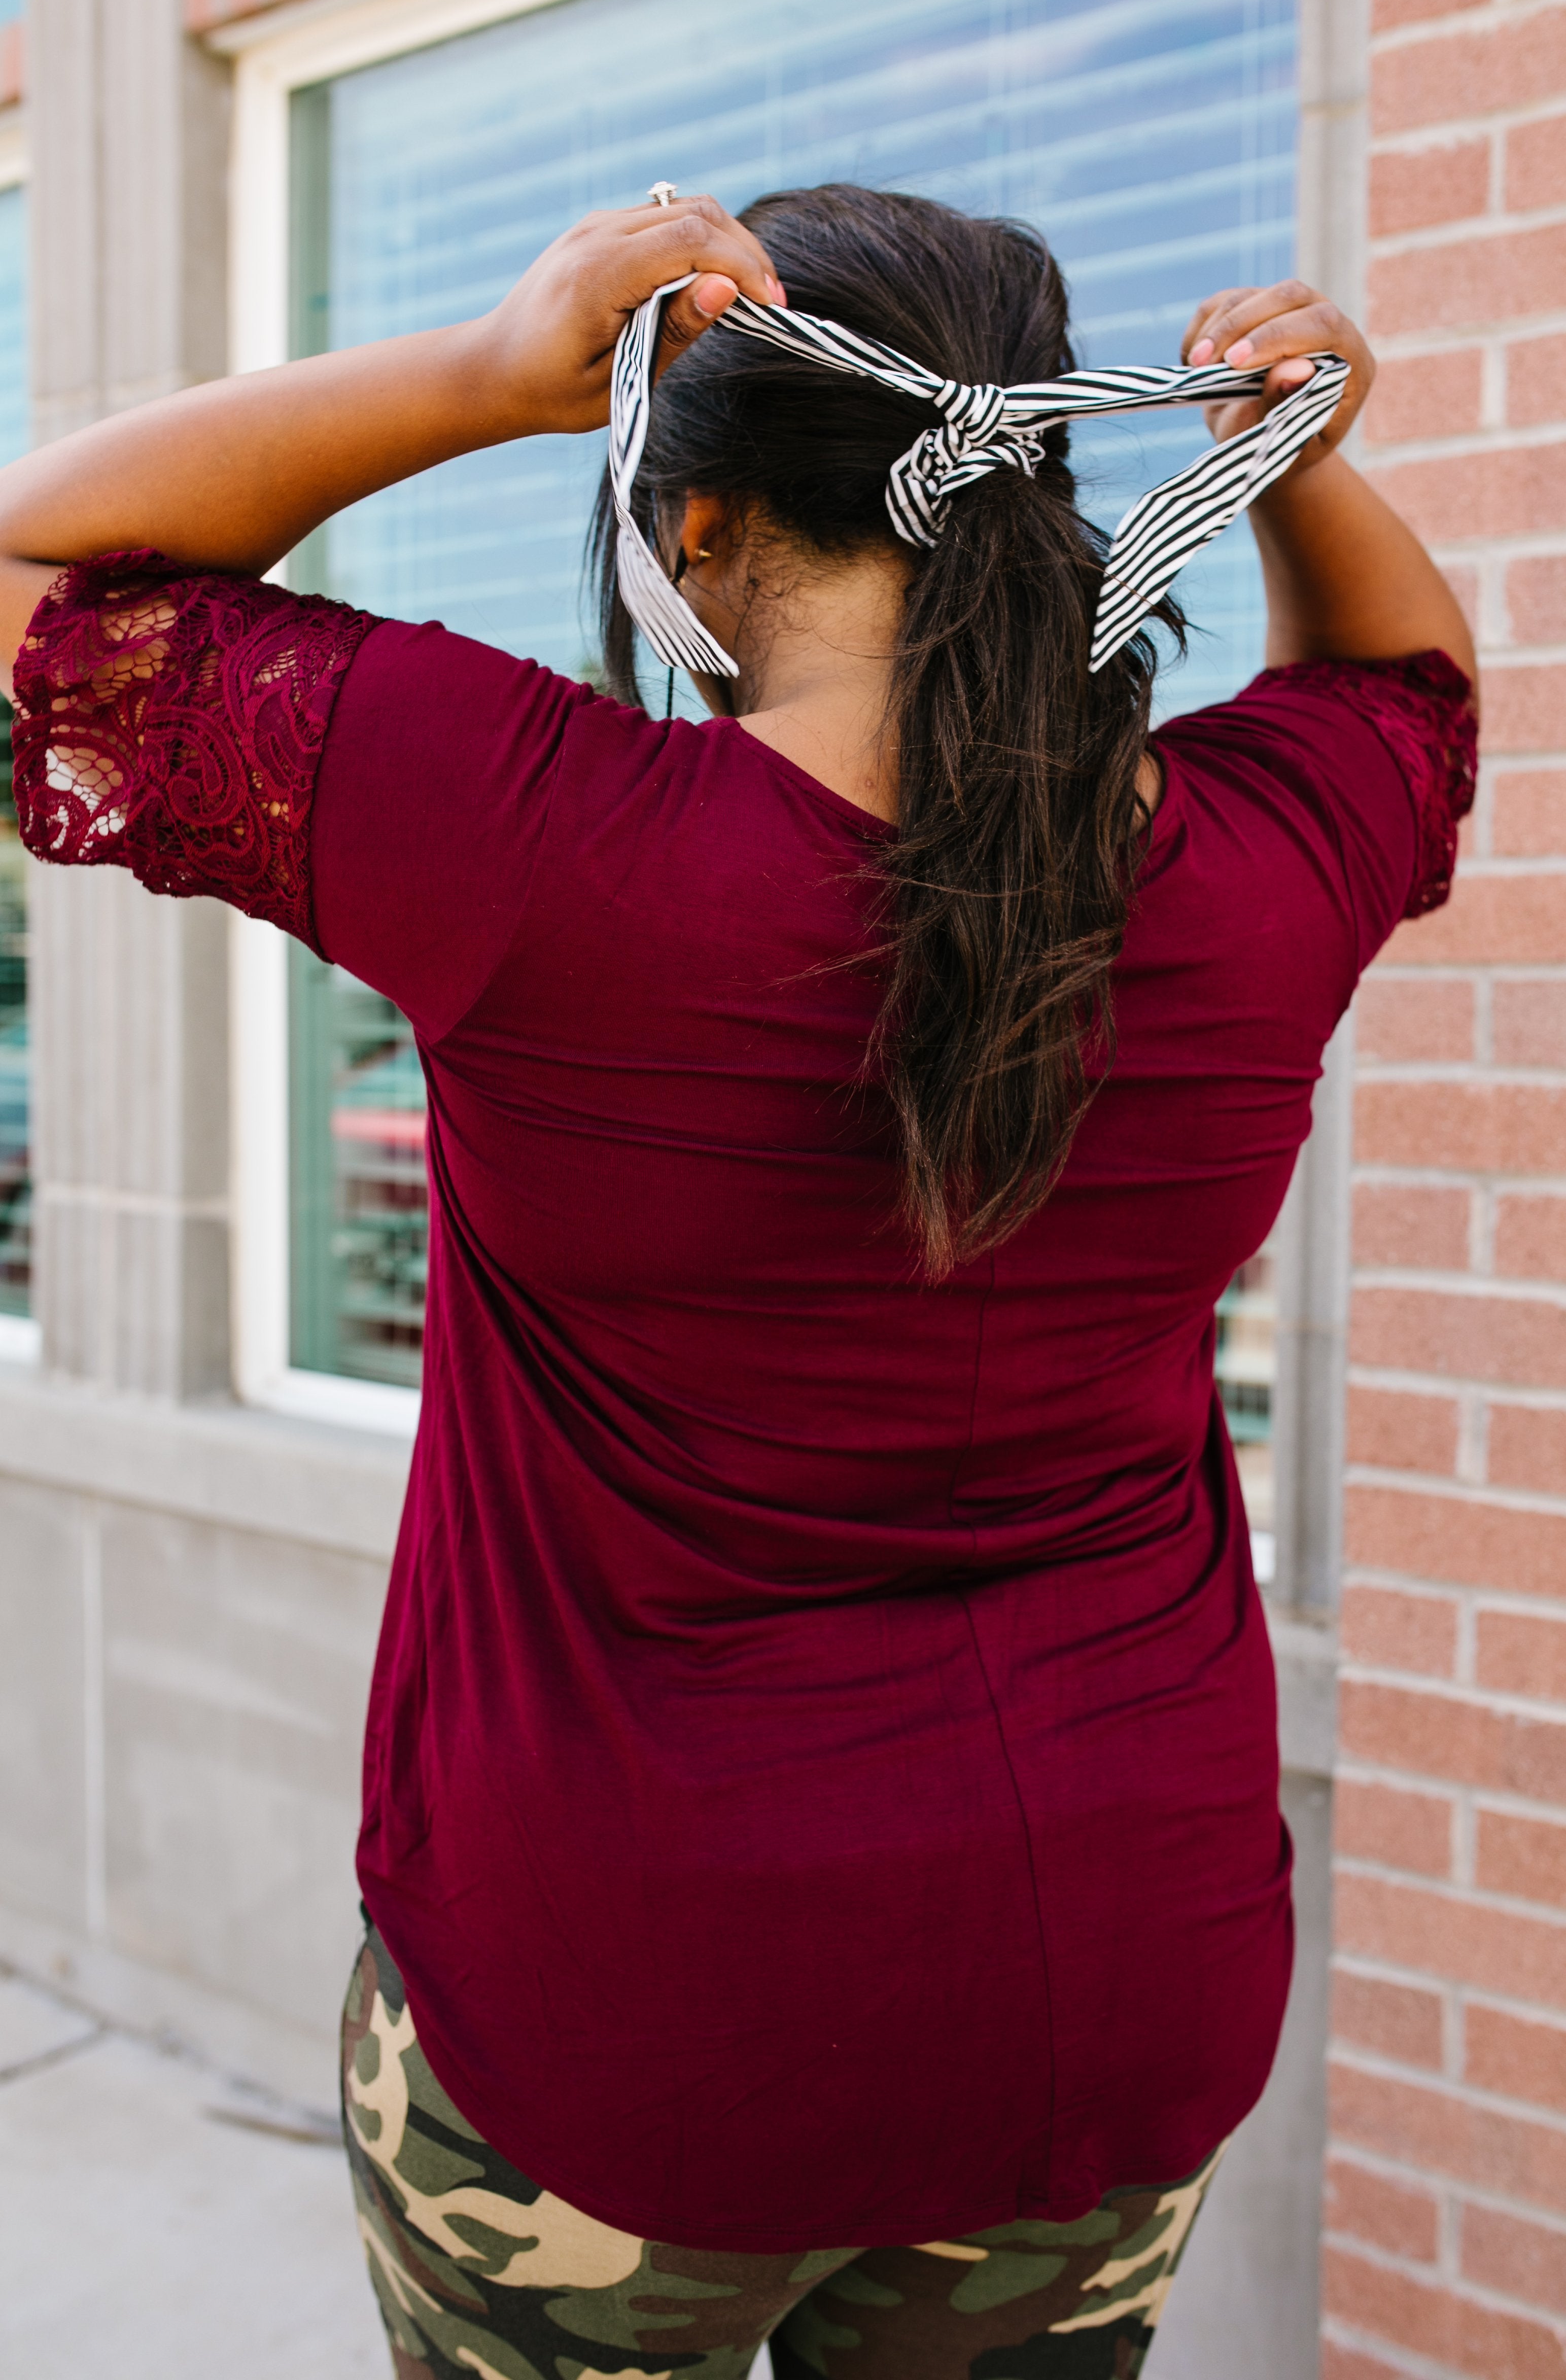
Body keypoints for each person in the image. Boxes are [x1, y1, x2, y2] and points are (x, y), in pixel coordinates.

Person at [0, 183, 1475, 2380]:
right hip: (1111, 1975)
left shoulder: (533, 840)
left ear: (688, 535)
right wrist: (1307, 457)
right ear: (1042, 497)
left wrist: (489, 371)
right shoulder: (1253, 875)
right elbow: (1413, 692)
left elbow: (43, 573)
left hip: (627, 2013)